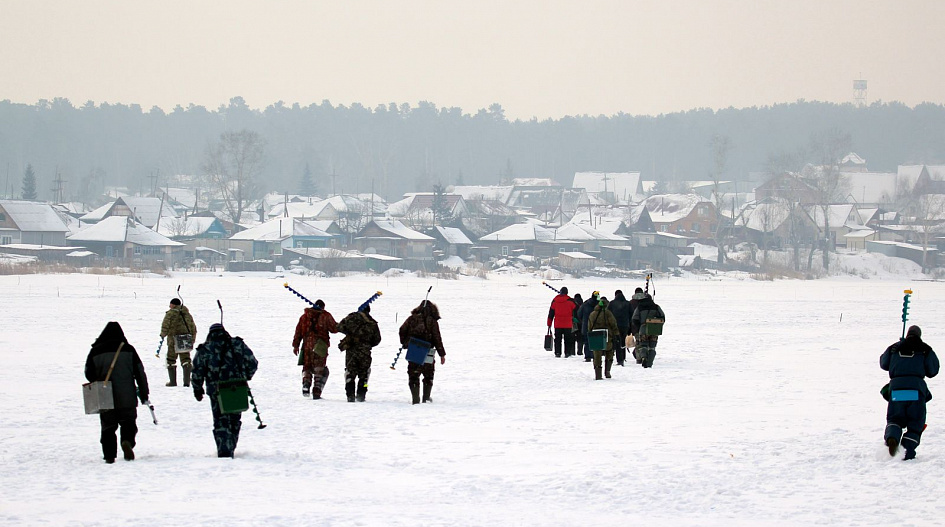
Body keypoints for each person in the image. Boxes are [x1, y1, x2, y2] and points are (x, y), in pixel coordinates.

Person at [85, 321, 149, 464]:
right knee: (128, 422)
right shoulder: (128, 349)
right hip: (127, 394)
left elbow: (88, 374)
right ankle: (126, 441)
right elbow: (140, 372)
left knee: (108, 426)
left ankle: (109, 455)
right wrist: (144, 393)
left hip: (104, 395)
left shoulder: (96, 350)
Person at [192, 323, 258, 458]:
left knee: (220, 421)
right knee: (234, 418)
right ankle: (230, 446)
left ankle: (224, 451)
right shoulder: (238, 345)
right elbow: (253, 363)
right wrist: (245, 377)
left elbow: (197, 371)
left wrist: (197, 389)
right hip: (237, 388)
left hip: (216, 391)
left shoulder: (205, 349)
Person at [880, 325, 939, 460]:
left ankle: (893, 437)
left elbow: (883, 364)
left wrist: (897, 349)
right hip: (916, 391)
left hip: (896, 390)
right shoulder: (925, 349)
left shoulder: (895, 347)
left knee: (895, 419)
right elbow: (933, 370)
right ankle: (906, 451)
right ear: (919, 335)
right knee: (915, 423)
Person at [399, 300, 446, 404]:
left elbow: (402, 329)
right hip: (428, 351)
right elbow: (437, 338)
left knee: (413, 375)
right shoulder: (433, 321)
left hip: (414, 350)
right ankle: (426, 398)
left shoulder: (411, 319)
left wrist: (406, 343)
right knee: (428, 375)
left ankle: (415, 399)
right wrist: (442, 354)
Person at [292, 299, 338, 399]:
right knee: (319, 368)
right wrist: (343, 326)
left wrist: (296, 345)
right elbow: (334, 328)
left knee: (307, 366)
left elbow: (298, 332)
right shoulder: (325, 316)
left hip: (306, 345)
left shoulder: (304, 317)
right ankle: (316, 391)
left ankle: (306, 384)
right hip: (320, 345)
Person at [337, 304, 382, 402]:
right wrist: (367, 344)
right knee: (364, 375)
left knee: (350, 373)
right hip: (365, 352)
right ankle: (361, 394)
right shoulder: (372, 322)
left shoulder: (351, 317)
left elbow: (339, 327)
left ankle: (350, 395)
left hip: (351, 350)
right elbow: (377, 339)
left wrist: (350, 334)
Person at [160, 298, 197, 387]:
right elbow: (193, 327)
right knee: (186, 360)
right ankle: (186, 382)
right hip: (185, 339)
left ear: (173, 305)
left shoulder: (170, 314)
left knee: (171, 360)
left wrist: (163, 334)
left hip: (173, 339)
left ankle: (172, 382)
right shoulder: (187, 314)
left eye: (170, 304)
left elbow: (165, 325)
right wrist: (192, 340)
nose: (169, 306)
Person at [587, 297, 620, 380]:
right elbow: (613, 324)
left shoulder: (592, 314)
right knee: (609, 352)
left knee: (597, 355)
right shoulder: (608, 313)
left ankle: (598, 374)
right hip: (607, 335)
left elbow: (589, 326)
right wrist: (616, 334)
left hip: (595, 336)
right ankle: (607, 371)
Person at [631, 293, 665, 369]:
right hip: (654, 329)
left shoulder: (639, 307)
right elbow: (663, 317)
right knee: (652, 347)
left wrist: (639, 326)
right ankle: (650, 363)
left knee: (643, 345)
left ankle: (643, 358)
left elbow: (634, 318)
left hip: (643, 328)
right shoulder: (656, 307)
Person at [547, 286, 576, 358]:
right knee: (567, 339)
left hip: (558, 324)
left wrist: (549, 323)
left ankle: (557, 352)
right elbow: (576, 310)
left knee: (557, 339)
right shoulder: (570, 301)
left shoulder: (555, 301)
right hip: (568, 324)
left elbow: (551, 313)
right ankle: (567, 353)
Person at [607, 289, 632, 366]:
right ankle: (623, 357)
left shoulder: (612, 303)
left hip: (615, 326)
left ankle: (620, 359)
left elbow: (608, 314)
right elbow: (632, 315)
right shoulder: (628, 303)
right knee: (623, 341)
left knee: (617, 342)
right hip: (625, 325)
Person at [577, 291, 600, 362]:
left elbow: (579, 314)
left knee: (587, 342)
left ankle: (588, 356)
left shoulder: (585, 304)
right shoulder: (600, 305)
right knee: (596, 342)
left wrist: (583, 321)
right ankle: (595, 356)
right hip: (597, 326)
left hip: (586, 326)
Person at [629, 288, 646, 364]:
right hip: (645, 325)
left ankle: (639, 358)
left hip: (634, 326)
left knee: (638, 342)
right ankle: (643, 356)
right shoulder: (646, 301)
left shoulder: (631, 303)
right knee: (644, 342)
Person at [571, 294, 585, 359]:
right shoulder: (582, 303)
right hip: (581, 322)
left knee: (573, 337)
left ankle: (572, 351)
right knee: (580, 338)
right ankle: (580, 351)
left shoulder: (572, 303)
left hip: (573, 322)